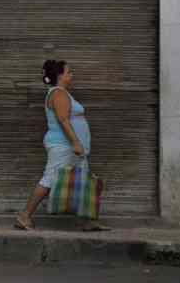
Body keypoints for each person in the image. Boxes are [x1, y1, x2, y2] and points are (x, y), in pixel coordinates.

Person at [15, 60, 110, 232]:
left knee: (85, 181)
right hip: (64, 146)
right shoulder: (58, 94)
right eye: (68, 72)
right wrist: (75, 142)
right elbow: (63, 120)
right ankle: (24, 216)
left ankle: (89, 220)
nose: (71, 75)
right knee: (49, 179)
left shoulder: (62, 93)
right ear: (60, 76)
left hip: (71, 148)